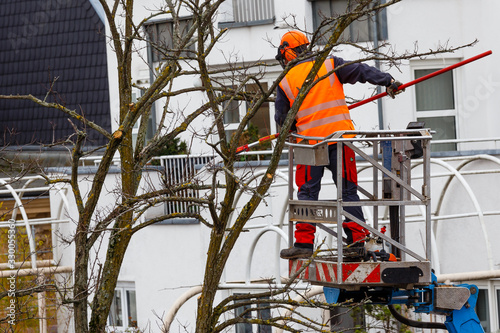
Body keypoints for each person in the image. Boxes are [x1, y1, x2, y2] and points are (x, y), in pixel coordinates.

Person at [275, 30, 403, 259]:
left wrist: (293, 128)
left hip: (309, 145)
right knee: (348, 192)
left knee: (306, 194)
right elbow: (362, 71)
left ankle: (303, 245)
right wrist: (389, 81)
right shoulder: (329, 64)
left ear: (287, 53)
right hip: (340, 140)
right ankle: (358, 241)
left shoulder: (285, 80)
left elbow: (283, 122)